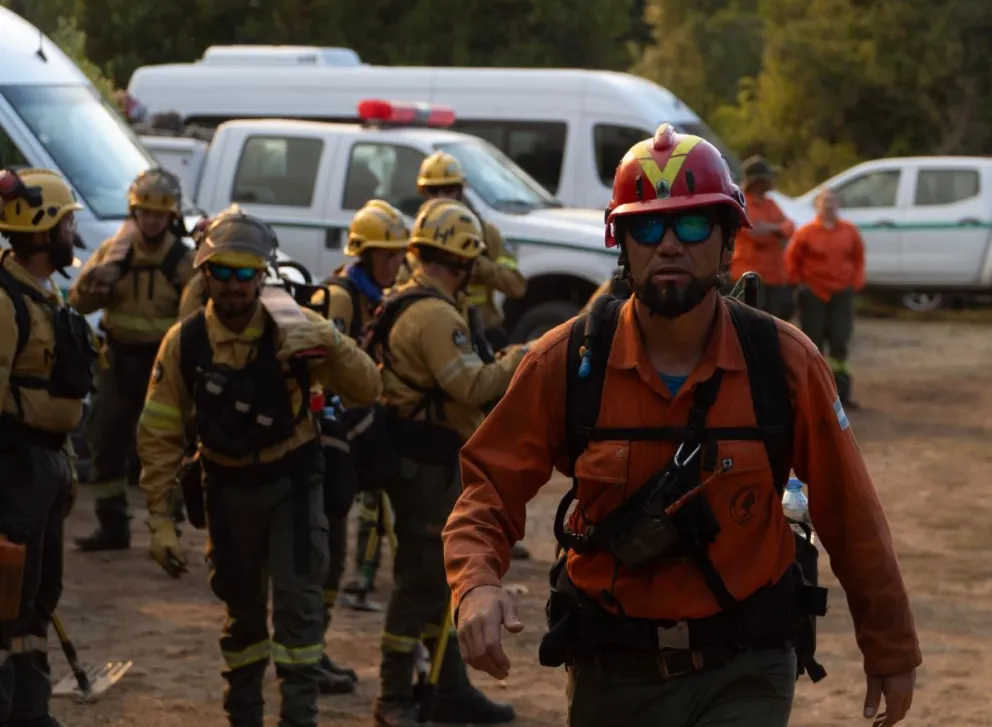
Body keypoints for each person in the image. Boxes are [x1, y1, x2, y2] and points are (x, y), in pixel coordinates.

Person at [442, 124, 921, 727]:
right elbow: (487, 488)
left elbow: (850, 513)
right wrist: (476, 583)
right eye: (647, 226)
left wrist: (891, 648)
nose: (669, 243)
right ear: (624, 246)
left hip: (745, 667)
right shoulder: (566, 363)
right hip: (612, 672)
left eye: (692, 224)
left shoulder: (785, 363)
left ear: (726, 245)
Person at [136, 208, 383, 727]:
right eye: (221, 271)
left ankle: (299, 719)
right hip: (225, 488)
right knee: (241, 617)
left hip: (290, 482)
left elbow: (368, 387)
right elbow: (158, 431)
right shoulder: (185, 343)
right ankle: (242, 717)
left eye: (245, 272)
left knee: (298, 612)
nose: (233, 284)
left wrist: (331, 345)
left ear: (262, 274)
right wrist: (160, 519)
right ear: (205, 274)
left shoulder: (294, 327)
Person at [366, 198, 527, 727]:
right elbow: (468, 384)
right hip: (426, 466)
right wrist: (518, 357)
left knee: (441, 584)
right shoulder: (435, 313)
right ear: (459, 262)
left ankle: (451, 692)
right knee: (418, 584)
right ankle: (393, 698)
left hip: (422, 459)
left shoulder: (407, 299)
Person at [0, 168, 97, 727]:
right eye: (66, 223)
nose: (72, 233)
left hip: (48, 463)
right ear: (41, 231)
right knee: (5, 600)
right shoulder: (4, 301)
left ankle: (30, 712)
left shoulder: (45, 292)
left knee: (38, 598)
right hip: (14, 465)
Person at [310, 199, 410, 689]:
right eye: (388, 255)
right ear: (365, 255)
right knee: (323, 551)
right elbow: (322, 366)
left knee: (335, 553)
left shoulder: (376, 297)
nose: (396, 264)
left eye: (398, 255)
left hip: (350, 434)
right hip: (324, 439)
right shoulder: (341, 297)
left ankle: (314, 648)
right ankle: (306, 654)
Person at [69, 168, 194, 551]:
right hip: (117, 360)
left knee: (165, 444)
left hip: (162, 365)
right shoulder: (114, 253)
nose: (150, 221)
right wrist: (97, 285)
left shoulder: (183, 261)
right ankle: (112, 524)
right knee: (105, 438)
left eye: (158, 214)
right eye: (144, 212)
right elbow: (77, 301)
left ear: (172, 215)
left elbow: (193, 321)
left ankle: (166, 524)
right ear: (134, 211)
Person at [785, 187, 866, 409]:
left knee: (840, 344)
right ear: (817, 205)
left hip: (841, 294)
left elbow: (858, 257)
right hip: (813, 294)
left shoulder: (849, 231)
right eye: (824, 201)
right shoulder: (806, 232)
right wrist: (795, 285)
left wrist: (856, 282)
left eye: (832, 200)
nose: (828, 204)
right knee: (812, 345)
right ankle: (815, 396)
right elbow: (792, 259)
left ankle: (842, 393)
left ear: (838, 204)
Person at [729, 155, 796, 320]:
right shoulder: (741, 203)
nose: (773, 180)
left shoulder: (770, 203)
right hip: (750, 278)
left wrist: (772, 227)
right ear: (758, 181)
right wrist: (777, 229)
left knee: (773, 327)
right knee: (750, 326)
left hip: (773, 276)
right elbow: (756, 233)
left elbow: (790, 227)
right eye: (769, 176)